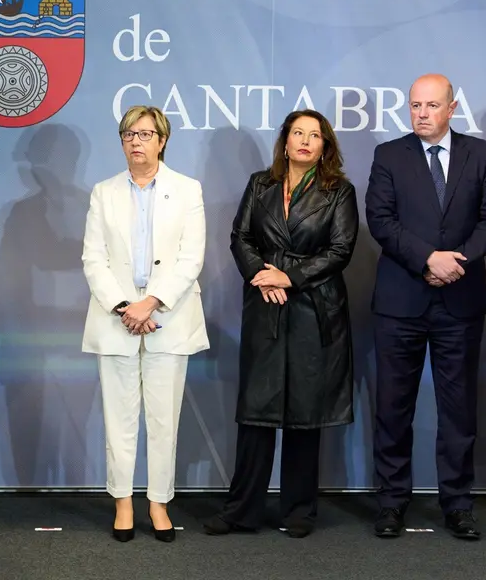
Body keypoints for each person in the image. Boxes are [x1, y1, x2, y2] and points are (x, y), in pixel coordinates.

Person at [203, 109, 358, 539]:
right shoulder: (261, 183)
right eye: (298, 133)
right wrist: (261, 274)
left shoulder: (339, 191)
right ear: (285, 141)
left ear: (325, 145)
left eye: (315, 135)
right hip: (265, 305)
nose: (306, 141)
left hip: (314, 309)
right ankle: (242, 510)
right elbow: (241, 237)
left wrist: (288, 276)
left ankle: (299, 511)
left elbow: (341, 249)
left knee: (305, 415)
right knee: (256, 413)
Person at [364, 73, 486, 540]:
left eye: (431, 105)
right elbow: (380, 220)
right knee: (392, 406)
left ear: (451, 108)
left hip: (459, 300)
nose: (421, 113)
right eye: (414, 105)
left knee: (459, 408)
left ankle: (458, 505)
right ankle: (391, 503)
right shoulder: (389, 155)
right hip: (401, 299)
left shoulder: (479, 153)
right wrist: (427, 258)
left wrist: (455, 262)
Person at [81, 105, 208, 544]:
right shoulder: (104, 191)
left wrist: (151, 302)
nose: (137, 141)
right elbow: (93, 258)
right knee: (118, 418)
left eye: (146, 134)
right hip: (116, 319)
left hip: (167, 319)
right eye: (129, 134)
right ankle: (121, 501)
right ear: (121, 141)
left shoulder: (187, 189)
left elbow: (191, 258)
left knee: (162, 419)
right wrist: (124, 306)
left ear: (163, 140)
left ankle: (158, 502)